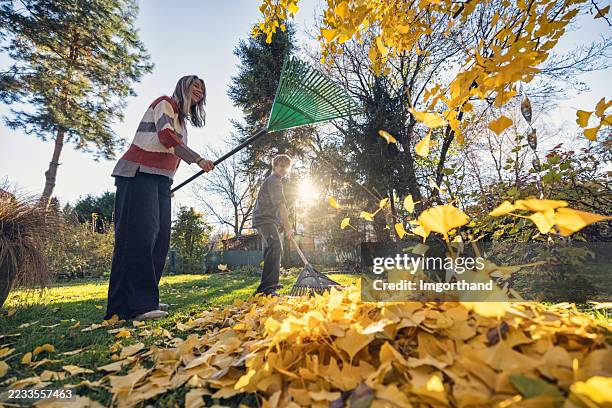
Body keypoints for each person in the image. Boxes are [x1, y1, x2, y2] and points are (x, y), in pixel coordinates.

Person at [105, 75, 214, 321]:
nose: (199, 90)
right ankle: (133, 306)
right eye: (194, 85)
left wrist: (166, 184)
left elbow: (170, 155)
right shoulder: (165, 104)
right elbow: (166, 138)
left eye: (202, 89)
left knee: (159, 241)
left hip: (159, 182)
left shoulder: (183, 123)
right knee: (139, 239)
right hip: (137, 173)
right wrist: (197, 159)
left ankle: (145, 299)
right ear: (182, 87)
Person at [251, 155, 294, 296]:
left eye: (286, 167)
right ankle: (267, 288)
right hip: (264, 219)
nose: (284, 169)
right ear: (274, 166)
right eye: (281, 166)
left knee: (272, 248)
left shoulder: (275, 181)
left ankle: (271, 283)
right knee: (275, 246)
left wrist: (282, 224)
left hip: (268, 220)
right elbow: (281, 205)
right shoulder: (274, 180)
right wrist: (288, 227)